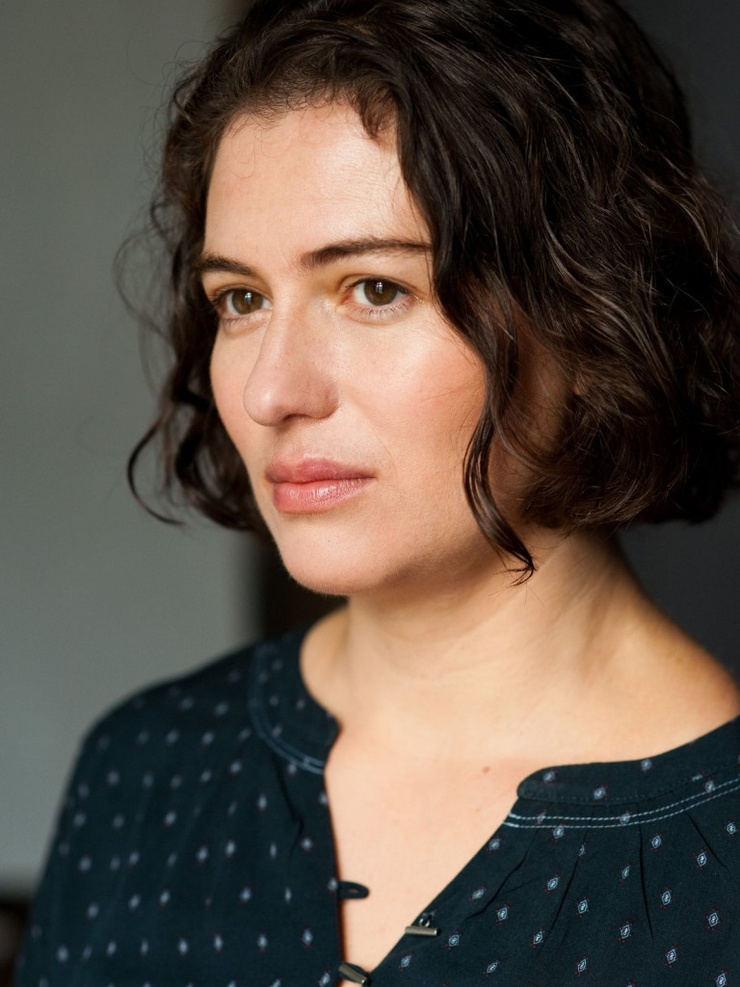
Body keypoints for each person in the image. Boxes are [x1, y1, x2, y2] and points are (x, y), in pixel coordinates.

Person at [16, 0, 740, 984]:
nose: (271, 391)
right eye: (241, 299)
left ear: (590, 307)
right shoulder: (144, 774)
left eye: (374, 289)